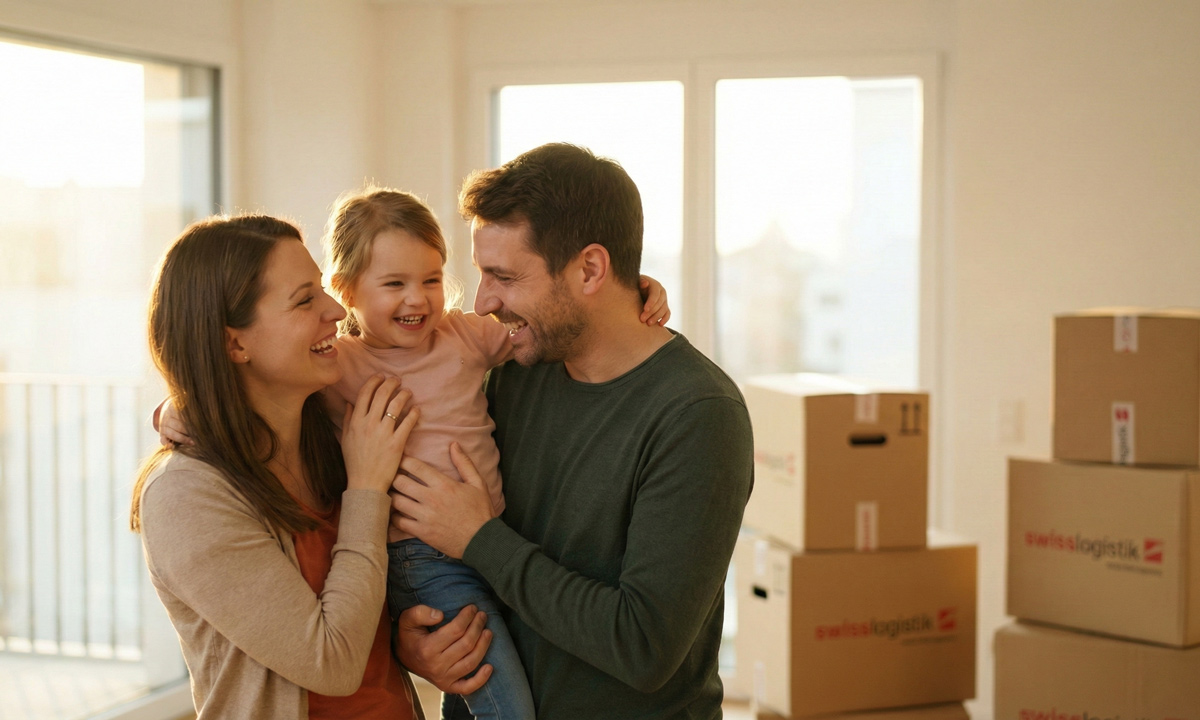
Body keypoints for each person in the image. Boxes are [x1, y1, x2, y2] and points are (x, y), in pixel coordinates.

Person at [392, 143, 755, 719]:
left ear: (590, 269)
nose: (483, 302)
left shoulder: (698, 415)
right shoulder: (514, 371)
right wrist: (409, 642)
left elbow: (643, 647)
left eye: (504, 277)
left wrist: (480, 539)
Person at [319, 187, 664, 719]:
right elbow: (254, 386)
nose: (417, 299)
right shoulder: (340, 366)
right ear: (345, 290)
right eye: (394, 284)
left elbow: (552, 327)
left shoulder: (461, 336)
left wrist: (631, 291)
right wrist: (178, 412)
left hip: (491, 539)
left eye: (431, 280)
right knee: (506, 706)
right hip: (423, 559)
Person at [130, 215, 485, 719]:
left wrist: (402, 643)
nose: (337, 310)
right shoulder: (186, 497)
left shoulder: (334, 428)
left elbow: (358, 599)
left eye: (322, 290)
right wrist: (366, 485)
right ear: (235, 343)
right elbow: (331, 662)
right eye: (304, 300)